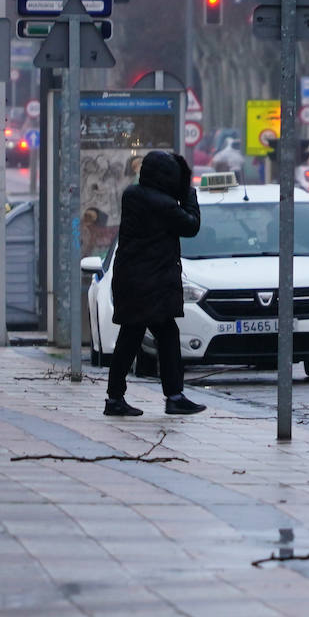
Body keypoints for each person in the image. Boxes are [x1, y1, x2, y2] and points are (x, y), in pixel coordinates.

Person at [104, 150, 205, 417]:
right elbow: (192, 226)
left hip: (133, 280)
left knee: (135, 336)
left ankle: (117, 397)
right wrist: (190, 195)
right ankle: (171, 396)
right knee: (159, 336)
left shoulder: (133, 195)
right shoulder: (163, 204)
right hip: (152, 283)